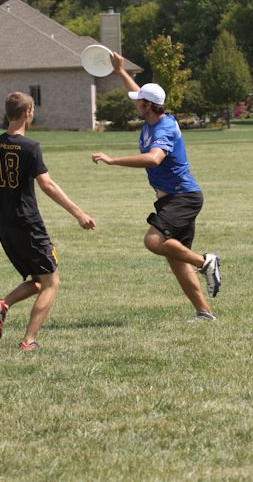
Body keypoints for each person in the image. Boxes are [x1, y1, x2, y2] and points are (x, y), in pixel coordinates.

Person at [91, 52, 221, 321]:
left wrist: (113, 160)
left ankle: (205, 261)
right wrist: (120, 71)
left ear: (148, 105)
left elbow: (153, 159)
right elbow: (137, 93)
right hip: (171, 199)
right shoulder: (151, 117)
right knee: (176, 260)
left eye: (139, 102)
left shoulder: (164, 128)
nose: (135, 103)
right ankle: (204, 313)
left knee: (153, 241)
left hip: (182, 197)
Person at [0, 92, 96, 351]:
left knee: (38, 280)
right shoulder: (30, 147)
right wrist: (79, 213)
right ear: (28, 113)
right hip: (28, 225)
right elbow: (47, 185)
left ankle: (3, 305)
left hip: (5, 226)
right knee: (51, 283)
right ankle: (28, 341)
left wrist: (9, 195)